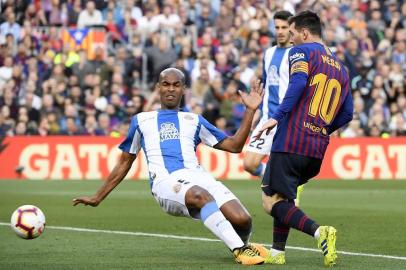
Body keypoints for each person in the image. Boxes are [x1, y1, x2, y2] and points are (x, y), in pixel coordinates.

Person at [73, 68, 267, 265]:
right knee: (200, 195)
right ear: (158, 88)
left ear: (184, 89)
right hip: (165, 182)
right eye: (166, 84)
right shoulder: (141, 120)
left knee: (243, 220)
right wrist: (98, 197)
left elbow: (234, 146)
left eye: (176, 85)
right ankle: (240, 250)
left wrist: (250, 111)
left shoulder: (194, 120)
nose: (170, 89)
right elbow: (125, 162)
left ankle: (244, 244)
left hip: (199, 177)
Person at [255, 11, 353, 266]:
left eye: (293, 32)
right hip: (317, 149)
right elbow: (347, 113)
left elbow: (297, 82)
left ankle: (320, 232)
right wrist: (321, 128)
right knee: (284, 197)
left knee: (269, 201)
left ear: (305, 33)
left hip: (291, 141)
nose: (290, 37)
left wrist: (277, 116)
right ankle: (277, 252)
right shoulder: (341, 68)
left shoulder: (301, 53)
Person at [243, 10, 305, 206]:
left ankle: (288, 197)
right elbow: (269, 85)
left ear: (291, 29)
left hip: (287, 121)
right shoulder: (268, 53)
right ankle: (279, 184)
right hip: (267, 118)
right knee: (249, 164)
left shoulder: (297, 54)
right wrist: (257, 112)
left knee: (283, 190)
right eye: (277, 27)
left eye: (284, 28)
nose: (280, 31)